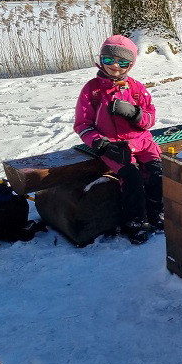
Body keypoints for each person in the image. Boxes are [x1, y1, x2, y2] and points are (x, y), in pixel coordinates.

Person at [74, 35, 163, 245]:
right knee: (132, 178)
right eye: (109, 60)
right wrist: (100, 143)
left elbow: (150, 118)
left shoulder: (136, 87)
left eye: (122, 62)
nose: (115, 66)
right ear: (101, 59)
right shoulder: (92, 90)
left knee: (157, 173)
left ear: (130, 65)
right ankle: (134, 223)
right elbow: (83, 125)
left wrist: (135, 114)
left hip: (142, 141)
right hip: (114, 145)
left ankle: (157, 214)